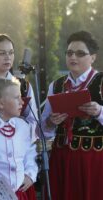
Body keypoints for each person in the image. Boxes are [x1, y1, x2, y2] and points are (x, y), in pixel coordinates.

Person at [41, 30, 103, 200]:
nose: (73, 57)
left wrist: (99, 112)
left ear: (93, 57)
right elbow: (41, 131)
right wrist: (51, 122)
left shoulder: (101, 82)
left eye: (80, 53)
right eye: (69, 53)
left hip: (94, 160)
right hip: (62, 157)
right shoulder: (57, 85)